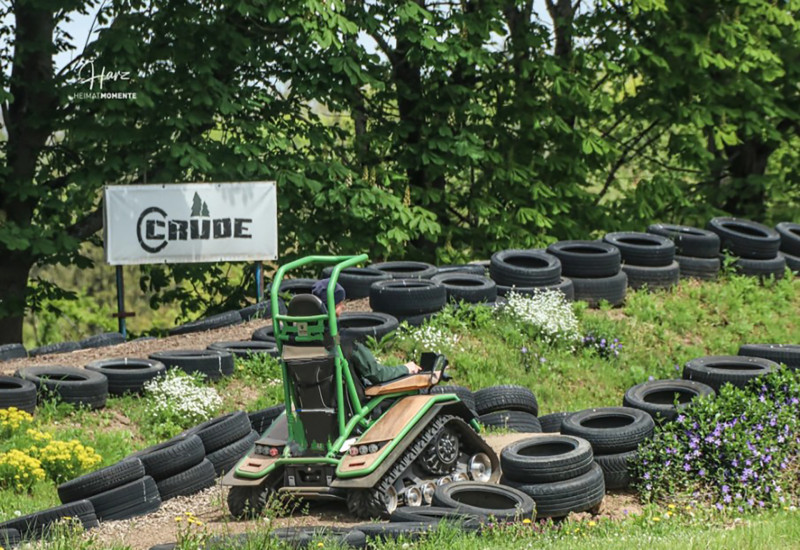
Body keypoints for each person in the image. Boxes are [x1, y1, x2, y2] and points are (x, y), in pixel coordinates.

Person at [311, 278, 422, 384]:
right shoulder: (344, 342)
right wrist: (406, 368)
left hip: (308, 402)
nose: (343, 307)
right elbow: (377, 374)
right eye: (340, 304)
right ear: (333, 308)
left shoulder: (300, 343)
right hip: (349, 402)